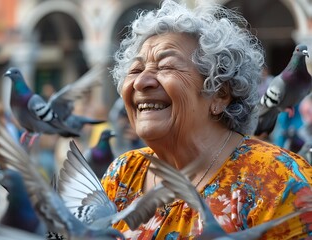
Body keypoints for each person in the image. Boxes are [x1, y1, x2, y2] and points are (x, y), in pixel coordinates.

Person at [101, 0, 312, 239]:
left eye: (166, 66)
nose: (140, 82)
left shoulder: (278, 180)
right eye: (136, 70)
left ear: (220, 95)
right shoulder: (124, 173)